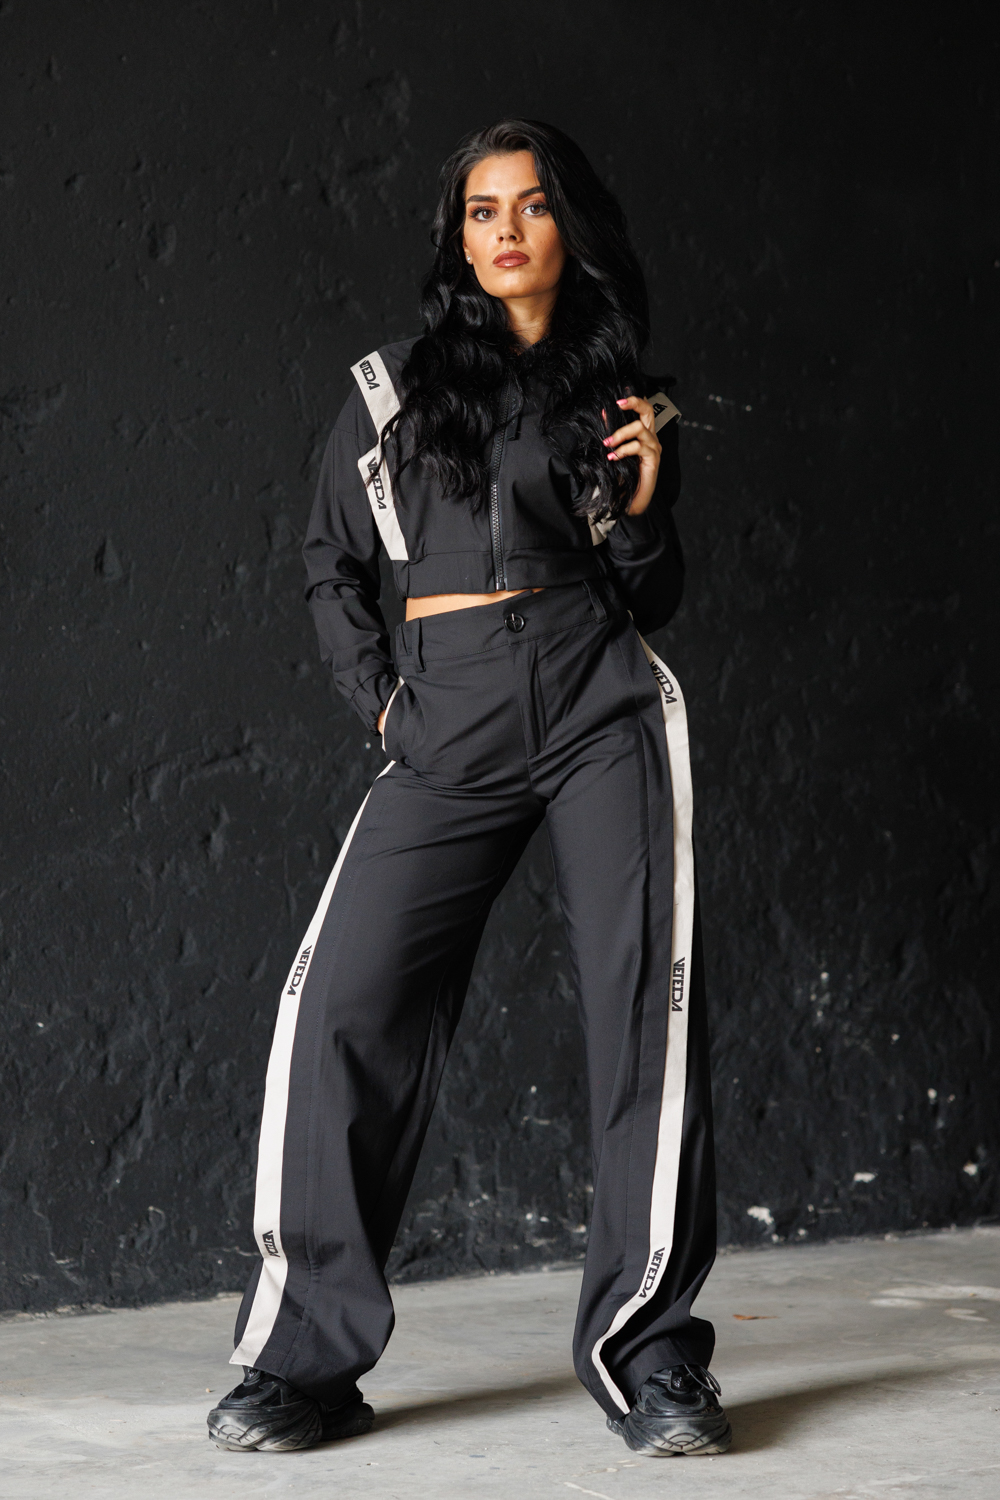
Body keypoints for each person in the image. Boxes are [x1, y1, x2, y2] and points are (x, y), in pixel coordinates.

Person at [207, 118, 731, 1460]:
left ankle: (651, 1358)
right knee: (344, 1002)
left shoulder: (618, 397)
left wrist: (643, 508)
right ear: (457, 237)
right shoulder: (391, 388)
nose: (505, 229)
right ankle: (303, 1363)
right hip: (446, 712)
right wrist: (385, 703)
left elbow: (652, 592)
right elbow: (329, 558)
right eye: (481, 210)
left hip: (597, 696)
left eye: (532, 205)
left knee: (646, 1016)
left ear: (570, 228)